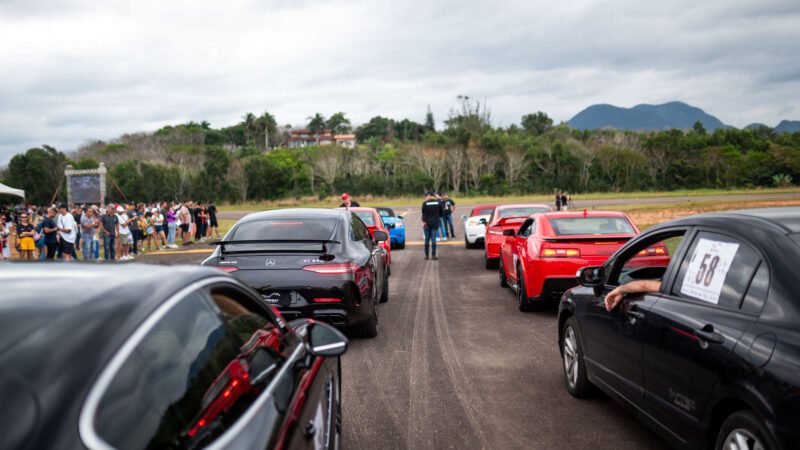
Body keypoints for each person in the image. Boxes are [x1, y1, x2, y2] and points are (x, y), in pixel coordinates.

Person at [421, 191, 443, 260]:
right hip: (435, 223)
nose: (426, 197)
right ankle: (433, 255)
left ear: (430, 196)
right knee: (433, 239)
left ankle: (426, 255)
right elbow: (441, 213)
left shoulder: (425, 203)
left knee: (427, 239)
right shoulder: (438, 203)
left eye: (426, 196)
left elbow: (423, 212)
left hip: (426, 223)